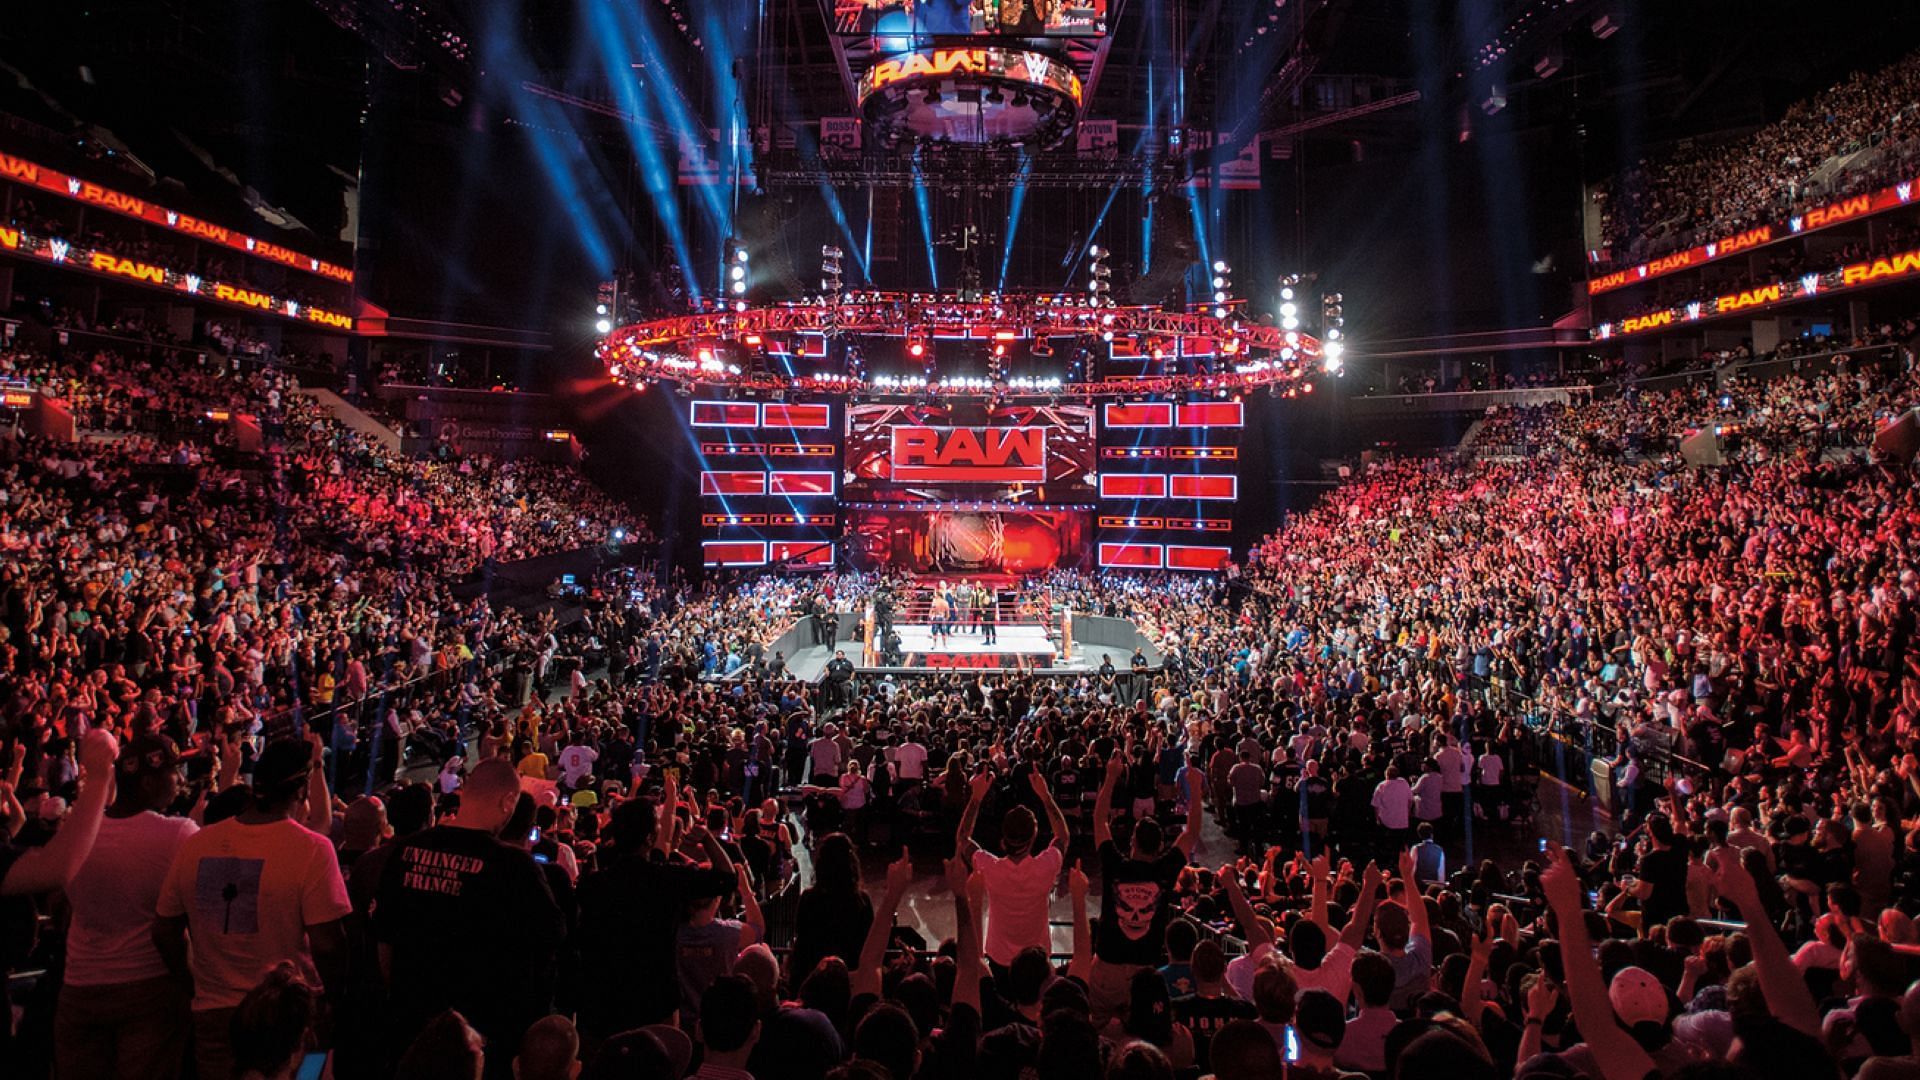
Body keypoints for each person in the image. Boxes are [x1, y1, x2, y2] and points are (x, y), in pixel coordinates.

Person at [155, 737, 349, 1080]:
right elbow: (328, 945)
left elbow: (164, 930)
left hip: (213, 1011)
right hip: (294, 1015)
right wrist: (335, 1000)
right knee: (307, 1074)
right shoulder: (313, 850)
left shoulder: (197, 845)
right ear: (302, 789)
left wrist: (193, 983)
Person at [373, 757, 566, 1068]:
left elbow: (384, 942)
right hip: (481, 1041)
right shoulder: (515, 867)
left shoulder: (406, 851)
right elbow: (552, 939)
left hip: (410, 1028)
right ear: (508, 801)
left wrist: (403, 1002)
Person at [56, 734, 199, 1080]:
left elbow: (62, 908)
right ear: (148, 781)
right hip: (147, 989)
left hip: (79, 986)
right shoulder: (178, 835)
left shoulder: (77, 831)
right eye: (173, 773)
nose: (180, 781)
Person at [575, 776, 737, 1041]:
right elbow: (726, 879)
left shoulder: (594, 884)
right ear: (649, 838)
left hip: (603, 1001)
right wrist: (706, 839)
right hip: (655, 999)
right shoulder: (666, 879)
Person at [1090, 745, 1205, 1023]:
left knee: (1101, 1029)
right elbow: (1192, 832)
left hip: (1107, 965)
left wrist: (1110, 777)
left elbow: (1099, 820)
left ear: (1132, 842)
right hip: (1145, 973)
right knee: (1140, 1032)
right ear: (1161, 846)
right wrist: (1195, 788)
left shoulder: (1115, 865)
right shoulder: (1164, 871)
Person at [955, 766, 1069, 972]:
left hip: (999, 957)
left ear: (1004, 838)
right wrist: (1045, 796)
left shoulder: (990, 868)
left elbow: (963, 838)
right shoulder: (1046, 866)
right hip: (1037, 957)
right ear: (1033, 838)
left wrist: (976, 799)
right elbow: (1062, 837)